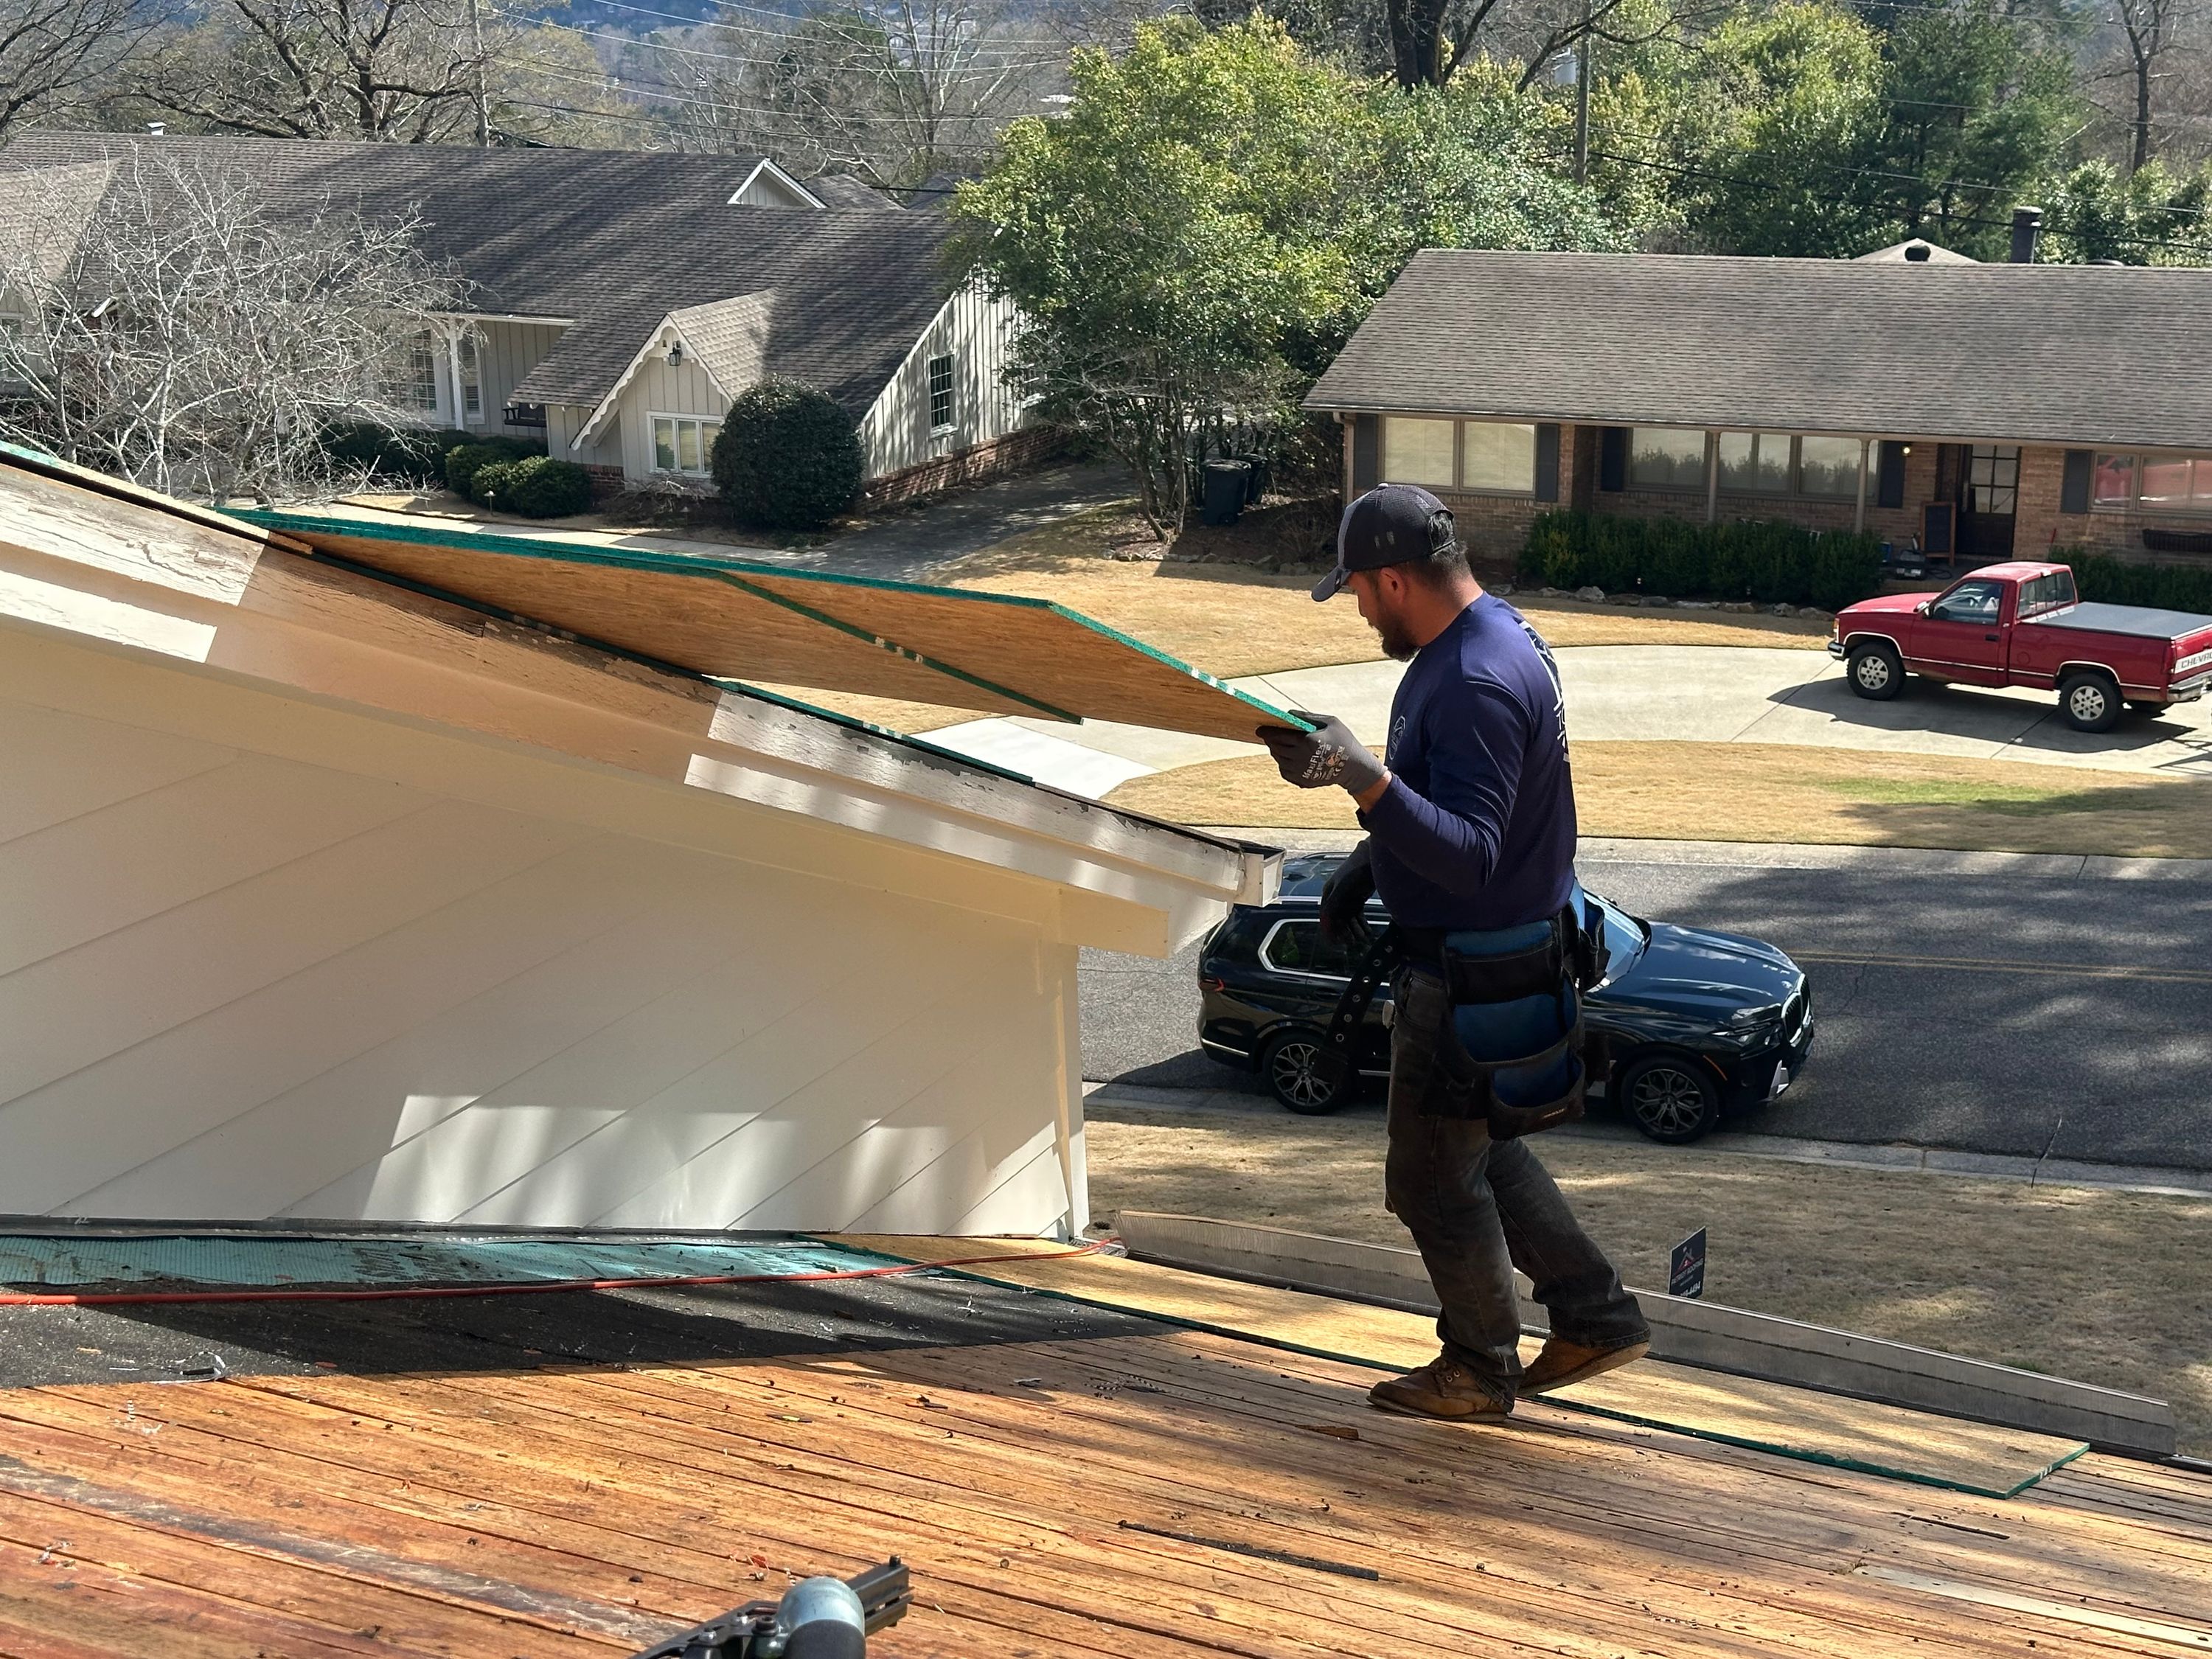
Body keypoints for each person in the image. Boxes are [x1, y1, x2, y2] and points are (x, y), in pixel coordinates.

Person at [1257, 482, 1650, 1421]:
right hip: (1506, 956)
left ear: (1395, 579)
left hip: (1469, 970)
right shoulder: (1497, 637)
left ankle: (1478, 1367)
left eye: (1356, 588)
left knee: (1431, 1181)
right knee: (1481, 1153)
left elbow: (1472, 852)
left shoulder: (1473, 680)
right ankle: (1596, 1317)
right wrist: (1368, 856)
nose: (1354, 606)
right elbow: (1467, 806)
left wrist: (1359, 775)